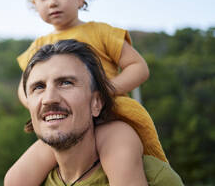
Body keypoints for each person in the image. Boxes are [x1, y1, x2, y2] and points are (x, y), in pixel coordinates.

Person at [5, 0, 167, 186]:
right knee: (16, 178)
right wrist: (36, 101)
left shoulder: (100, 32)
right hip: (64, 127)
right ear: (34, 3)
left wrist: (105, 90)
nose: (52, 2)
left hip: (109, 118)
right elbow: (23, 86)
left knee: (122, 161)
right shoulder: (38, 46)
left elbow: (138, 67)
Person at [20, 39, 183, 185]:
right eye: (39, 87)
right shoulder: (34, 178)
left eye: (66, 83)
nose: (49, 99)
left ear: (96, 103)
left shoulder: (155, 179)